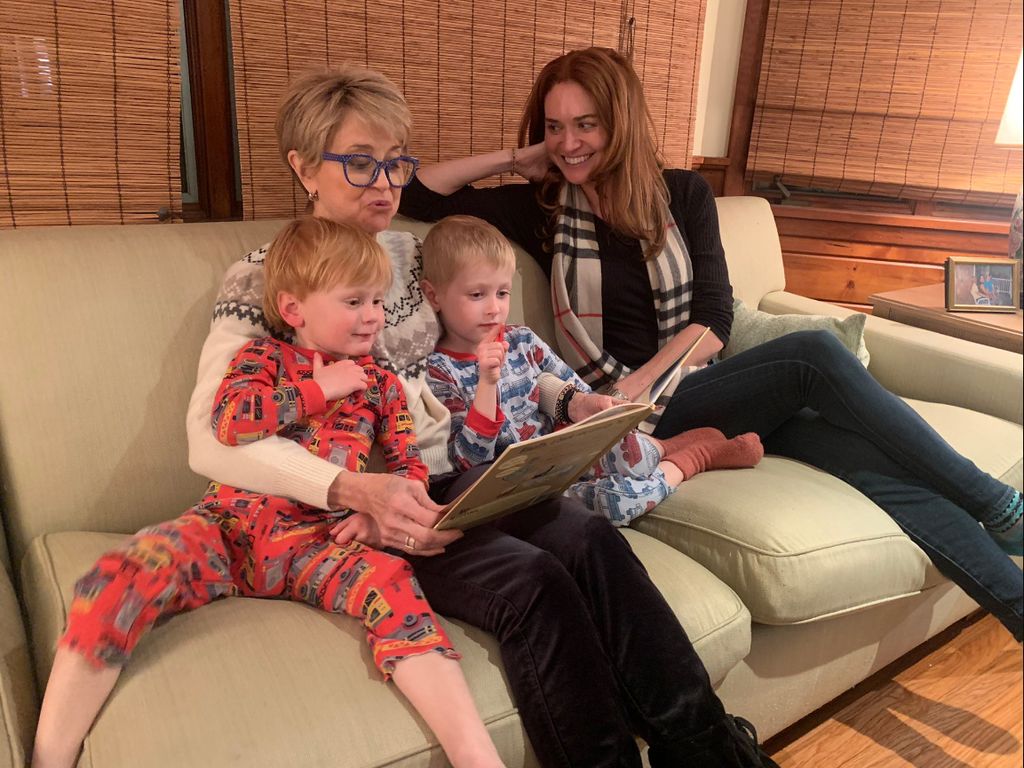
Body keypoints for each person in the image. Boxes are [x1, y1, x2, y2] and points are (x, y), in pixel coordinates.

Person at [142, 66, 776, 767]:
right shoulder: (264, 277)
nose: (385, 184)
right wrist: (354, 489)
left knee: (594, 542)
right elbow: (210, 436)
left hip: (461, 479)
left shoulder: (416, 254)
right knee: (533, 586)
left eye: (394, 163)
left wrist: (570, 401)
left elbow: (486, 348)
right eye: (359, 164)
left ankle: (711, 752)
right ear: (303, 168)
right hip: (357, 511)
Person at [398, 46, 1024, 640]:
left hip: (688, 387)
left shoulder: (685, 194)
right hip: (635, 418)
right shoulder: (543, 208)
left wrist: (638, 382)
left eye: (585, 124)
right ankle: (998, 505)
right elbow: (416, 190)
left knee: (880, 472)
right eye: (555, 127)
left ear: (621, 123)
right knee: (812, 354)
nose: (568, 143)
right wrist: (516, 157)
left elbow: (715, 318)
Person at [31, 217, 505, 768]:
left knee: (394, 585)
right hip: (226, 530)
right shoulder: (261, 359)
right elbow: (231, 423)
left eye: (377, 300)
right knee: (126, 570)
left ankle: (477, 757)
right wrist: (317, 388)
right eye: (354, 301)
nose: (373, 315)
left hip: (320, 544)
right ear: (294, 309)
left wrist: (387, 520)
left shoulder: (382, 384)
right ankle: (49, 758)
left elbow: (407, 465)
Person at [421, 214, 763, 526]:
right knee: (619, 503)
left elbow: (576, 393)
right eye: (477, 294)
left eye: (503, 292)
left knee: (631, 453)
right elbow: (468, 462)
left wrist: (595, 412)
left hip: (565, 453)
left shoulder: (522, 339)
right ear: (434, 296)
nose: (494, 309)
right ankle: (692, 458)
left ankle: (663, 446)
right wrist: (486, 384)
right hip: (526, 490)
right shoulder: (438, 372)